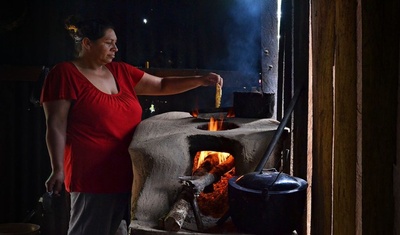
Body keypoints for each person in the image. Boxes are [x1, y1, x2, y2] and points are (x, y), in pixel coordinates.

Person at [40, 15, 223, 235]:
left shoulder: (121, 72)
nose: (115, 48)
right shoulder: (64, 74)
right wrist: (57, 169)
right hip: (92, 177)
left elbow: (162, 85)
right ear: (87, 43)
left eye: (115, 43)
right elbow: (56, 125)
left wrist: (200, 80)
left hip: (130, 173)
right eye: (109, 43)